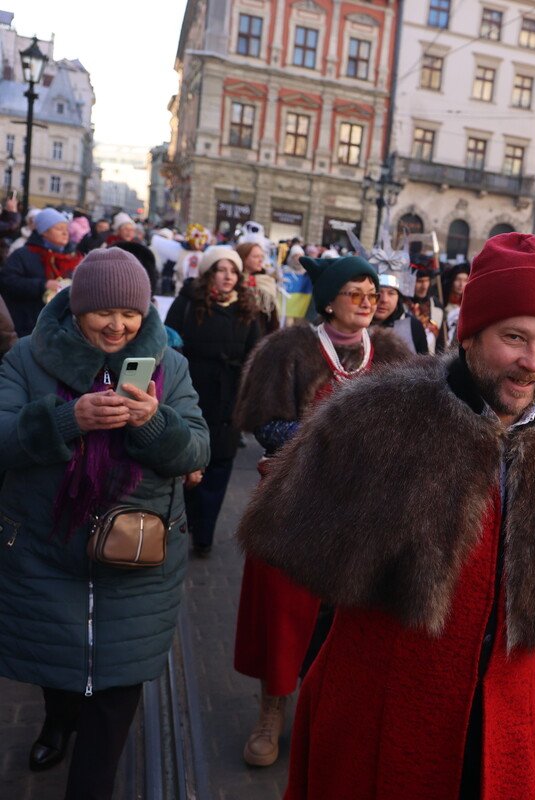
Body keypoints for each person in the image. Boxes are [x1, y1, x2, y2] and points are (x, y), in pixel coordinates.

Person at [238, 232, 535, 798]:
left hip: (502, 721)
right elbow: (289, 539)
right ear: (469, 335)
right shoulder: (379, 417)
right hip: (383, 706)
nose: (532, 361)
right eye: (513, 336)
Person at [0, 248, 209, 799]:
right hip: (47, 551)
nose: (118, 326)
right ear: (76, 309)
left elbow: (194, 450)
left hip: (135, 560)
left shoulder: (171, 366)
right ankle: (57, 719)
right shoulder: (26, 358)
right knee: (59, 665)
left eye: (131, 314)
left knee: (116, 694)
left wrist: (154, 422)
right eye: (103, 313)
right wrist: (69, 419)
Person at [230, 254, 410, 768]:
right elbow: (264, 425)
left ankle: (332, 710)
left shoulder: (393, 352)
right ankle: (272, 709)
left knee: (348, 616)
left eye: (373, 296)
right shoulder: (288, 348)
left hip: (364, 512)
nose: (367, 304)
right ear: (329, 299)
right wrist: (331, 437)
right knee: (286, 612)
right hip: (294, 505)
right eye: (357, 294)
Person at [165, 246, 262, 557]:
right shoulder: (187, 302)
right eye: (222, 270)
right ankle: (186, 522)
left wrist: (249, 396)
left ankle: (204, 532)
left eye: (233, 271)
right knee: (190, 461)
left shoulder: (247, 307)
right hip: (192, 391)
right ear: (209, 274)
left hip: (229, 396)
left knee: (220, 464)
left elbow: (254, 356)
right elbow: (168, 345)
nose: (228, 276)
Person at [0, 207, 82, 336]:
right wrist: (42, 284)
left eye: (66, 229)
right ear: (44, 231)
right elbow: (7, 283)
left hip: (65, 327)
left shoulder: (74, 257)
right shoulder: (23, 254)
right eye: (59, 229)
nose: (65, 233)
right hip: (30, 325)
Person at [236, 240, 280, 332]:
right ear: (243, 257)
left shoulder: (266, 281)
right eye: (256, 257)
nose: (261, 260)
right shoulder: (233, 281)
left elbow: (272, 315)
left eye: (262, 257)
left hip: (261, 330)